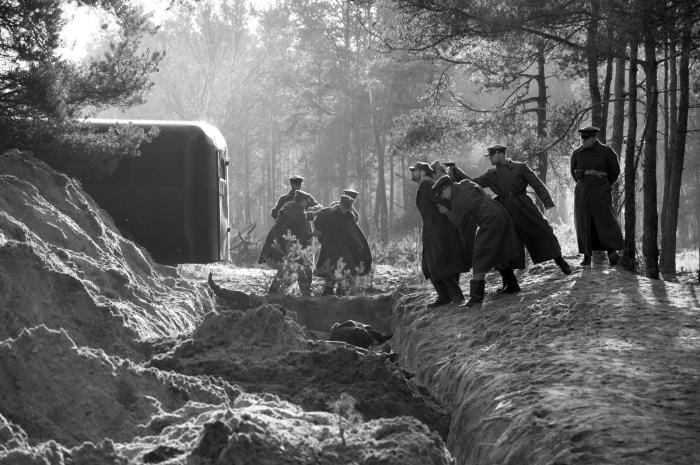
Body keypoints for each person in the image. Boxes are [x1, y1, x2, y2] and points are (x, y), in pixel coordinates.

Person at [473, 144, 572, 276]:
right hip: (505, 209)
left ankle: (560, 261)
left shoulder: (520, 167)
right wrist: (454, 173)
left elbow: (536, 184)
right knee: (507, 241)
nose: (489, 158)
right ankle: (510, 281)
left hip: (524, 205)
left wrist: (548, 203)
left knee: (544, 231)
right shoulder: (491, 174)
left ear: (499, 154)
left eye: (491, 155)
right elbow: (472, 183)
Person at [432, 175, 522, 307]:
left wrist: (446, 211)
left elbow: (457, 221)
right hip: (499, 212)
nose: (442, 196)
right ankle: (512, 284)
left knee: (479, 255)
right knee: (498, 252)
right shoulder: (465, 183)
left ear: (447, 187)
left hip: (490, 220)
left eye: (441, 193)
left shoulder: (457, 199)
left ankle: (476, 298)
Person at [410, 161, 469, 307]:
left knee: (440, 263)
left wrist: (443, 215)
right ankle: (444, 296)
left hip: (439, 230)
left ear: (423, 172)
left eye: (415, 170)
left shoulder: (428, 185)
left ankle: (455, 295)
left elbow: (443, 201)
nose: (412, 172)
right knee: (431, 264)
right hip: (433, 229)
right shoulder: (424, 186)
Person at [570, 126, 624, 266]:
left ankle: (611, 252)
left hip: (601, 191)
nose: (583, 141)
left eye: (586, 138)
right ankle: (587, 256)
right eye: (582, 138)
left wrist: (603, 184)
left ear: (594, 138)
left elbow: (614, 172)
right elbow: (573, 173)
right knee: (584, 222)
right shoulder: (577, 153)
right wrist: (584, 183)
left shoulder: (606, 152)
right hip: (583, 192)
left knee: (605, 220)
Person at [258, 190, 318, 295]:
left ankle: (273, 290)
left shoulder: (288, 206)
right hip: (290, 244)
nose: (306, 204)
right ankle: (306, 293)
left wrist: (310, 214)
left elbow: (295, 219)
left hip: (279, 241)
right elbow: (303, 233)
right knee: (298, 268)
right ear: (302, 201)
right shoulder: (300, 214)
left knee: (285, 267)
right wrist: (314, 234)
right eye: (305, 202)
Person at [313, 194, 372, 296]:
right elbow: (317, 224)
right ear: (340, 205)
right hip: (329, 246)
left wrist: (361, 246)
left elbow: (354, 233)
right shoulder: (327, 212)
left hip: (344, 246)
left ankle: (342, 289)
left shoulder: (349, 216)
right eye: (344, 208)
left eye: (347, 209)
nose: (346, 210)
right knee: (330, 267)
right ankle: (328, 291)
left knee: (348, 267)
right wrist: (320, 234)